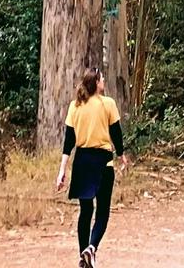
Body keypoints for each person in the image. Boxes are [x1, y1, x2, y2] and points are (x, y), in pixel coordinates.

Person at [55, 68, 128, 267]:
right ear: (96, 82)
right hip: (103, 162)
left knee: (85, 211)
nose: (104, 81)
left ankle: (82, 256)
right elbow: (116, 134)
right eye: (102, 78)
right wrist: (122, 156)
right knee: (102, 212)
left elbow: (69, 141)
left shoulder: (75, 106)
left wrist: (62, 169)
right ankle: (92, 248)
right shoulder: (108, 104)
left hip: (82, 162)